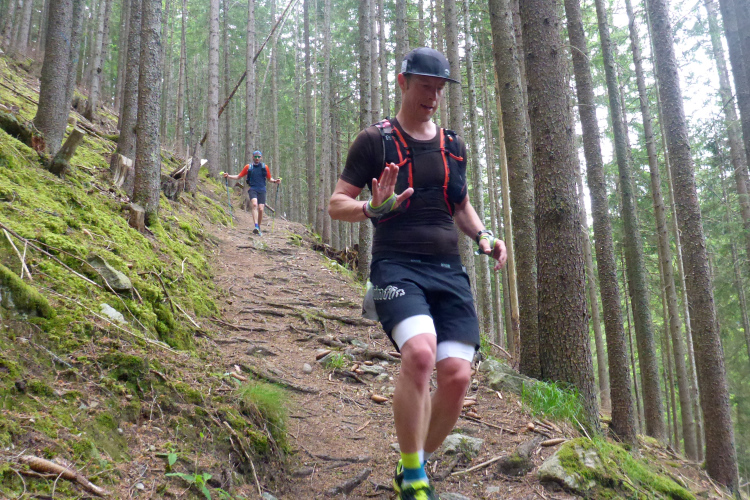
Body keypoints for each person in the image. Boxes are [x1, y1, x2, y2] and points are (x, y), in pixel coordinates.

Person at [328, 47, 507, 500]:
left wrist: (484, 235)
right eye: (426, 86)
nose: (433, 96)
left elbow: (460, 205)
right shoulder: (375, 141)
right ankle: (413, 477)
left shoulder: (453, 146)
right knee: (422, 355)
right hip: (396, 267)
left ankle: (415, 461)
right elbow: (336, 204)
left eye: (440, 89)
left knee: (457, 376)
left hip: (449, 271)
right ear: (403, 82)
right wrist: (372, 208)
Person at [224, 150, 281, 235]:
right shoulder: (248, 167)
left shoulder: (264, 167)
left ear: (261, 157)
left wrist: (275, 181)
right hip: (253, 189)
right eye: (255, 157)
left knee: (261, 209)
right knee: (254, 205)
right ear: (252, 157)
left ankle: (259, 228)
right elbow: (239, 176)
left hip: (262, 189)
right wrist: (228, 176)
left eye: (258, 157)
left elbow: (269, 179)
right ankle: (256, 226)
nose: (257, 158)